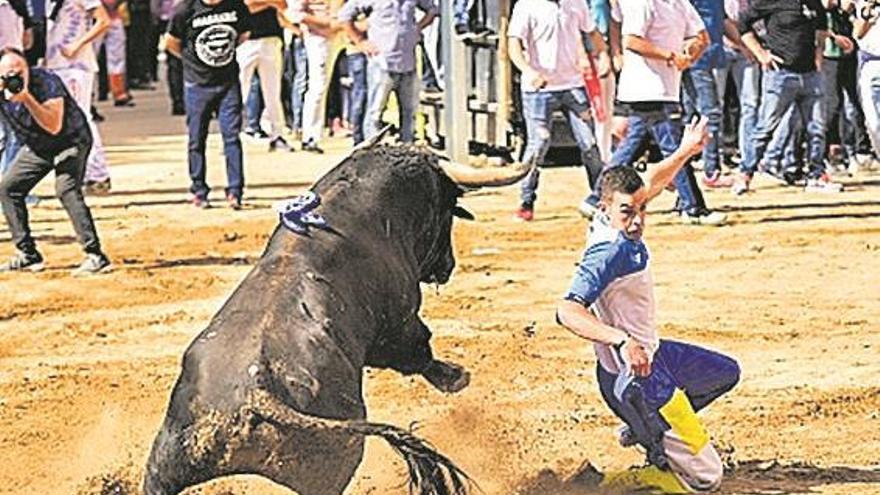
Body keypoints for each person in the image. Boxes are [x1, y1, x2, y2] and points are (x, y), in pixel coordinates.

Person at [556, 116, 740, 494]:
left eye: (642, 209)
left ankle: (645, 430)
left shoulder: (611, 219)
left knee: (724, 373)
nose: (638, 220)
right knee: (708, 479)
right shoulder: (609, 251)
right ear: (605, 208)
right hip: (637, 378)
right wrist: (621, 340)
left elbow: (650, 182)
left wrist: (686, 151)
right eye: (628, 212)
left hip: (654, 359)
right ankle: (644, 471)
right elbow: (567, 310)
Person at [586, 0, 727, 226]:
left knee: (632, 148)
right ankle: (693, 207)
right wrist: (671, 56)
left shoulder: (680, 3)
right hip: (646, 88)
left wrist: (691, 51)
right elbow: (631, 40)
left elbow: (701, 37)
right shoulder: (644, 3)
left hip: (665, 88)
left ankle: (595, 198)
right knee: (675, 149)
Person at [0, 48, 112, 274]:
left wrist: (27, 99)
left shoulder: (46, 81)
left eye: (19, 71)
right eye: (8, 74)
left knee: (66, 189)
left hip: (70, 140)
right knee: (8, 188)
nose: (16, 77)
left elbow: (54, 125)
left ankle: (95, 255)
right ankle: (27, 254)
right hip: (38, 147)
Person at [505, 0, 609, 221]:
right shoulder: (526, 6)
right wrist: (528, 71)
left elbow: (592, 31)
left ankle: (600, 196)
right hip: (538, 88)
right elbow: (513, 45)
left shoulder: (575, 2)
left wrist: (603, 54)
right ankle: (526, 200)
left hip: (572, 84)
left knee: (589, 143)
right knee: (539, 143)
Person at [736, 0, 843, 194]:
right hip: (780, 73)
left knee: (817, 129)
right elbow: (743, 22)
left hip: (811, 73)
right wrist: (761, 53)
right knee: (765, 128)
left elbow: (820, 27)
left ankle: (816, 176)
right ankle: (745, 174)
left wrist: (818, 54)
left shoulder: (814, 3)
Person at [167, 0, 251, 209]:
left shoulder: (235, 6)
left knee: (232, 138)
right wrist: (191, 62)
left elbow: (243, 34)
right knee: (197, 139)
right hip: (197, 85)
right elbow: (171, 42)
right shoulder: (185, 10)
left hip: (228, 82)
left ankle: (235, 191)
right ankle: (199, 190)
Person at [338, 0, 438, 145]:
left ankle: (407, 150)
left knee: (409, 113)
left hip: (408, 62)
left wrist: (417, 28)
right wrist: (359, 41)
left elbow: (432, 10)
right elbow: (344, 16)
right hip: (382, 62)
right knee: (375, 113)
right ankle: (371, 152)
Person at [45, 0, 112, 195]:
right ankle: (84, 173)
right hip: (55, 64)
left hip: (75, 66)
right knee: (68, 121)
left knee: (81, 118)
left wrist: (77, 45)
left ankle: (98, 174)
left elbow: (103, 21)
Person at [682, 0, 729, 188]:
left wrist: (743, 46)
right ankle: (711, 171)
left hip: (709, 58)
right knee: (709, 116)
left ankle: (681, 173)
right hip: (696, 61)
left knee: (693, 117)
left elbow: (723, 21)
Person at [288, 0, 344, 154]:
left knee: (323, 87)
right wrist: (325, 23)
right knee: (317, 88)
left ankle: (314, 134)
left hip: (339, 34)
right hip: (318, 37)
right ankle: (310, 136)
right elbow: (294, 13)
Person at [238, 0, 294, 151]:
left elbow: (282, 5)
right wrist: (269, 3)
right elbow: (243, 7)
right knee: (238, 90)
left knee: (273, 93)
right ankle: (231, 134)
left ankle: (277, 135)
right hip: (245, 41)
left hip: (271, 38)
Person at [855, 0, 880, 157]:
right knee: (873, 122)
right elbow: (858, 33)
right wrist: (867, 14)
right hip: (870, 64)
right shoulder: (866, 6)